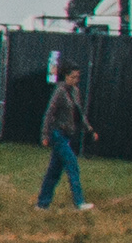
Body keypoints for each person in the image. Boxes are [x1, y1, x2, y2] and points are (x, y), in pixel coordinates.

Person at [37, 62, 92, 211]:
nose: (76, 80)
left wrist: (89, 129)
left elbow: (79, 113)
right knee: (72, 164)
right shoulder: (59, 92)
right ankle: (79, 202)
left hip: (67, 135)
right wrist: (45, 134)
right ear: (66, 76)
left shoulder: (75, 91)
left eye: (77, 77)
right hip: (57, 134)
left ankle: (42, 204)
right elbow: (49, 113)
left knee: (54, 171)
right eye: (73, 77)